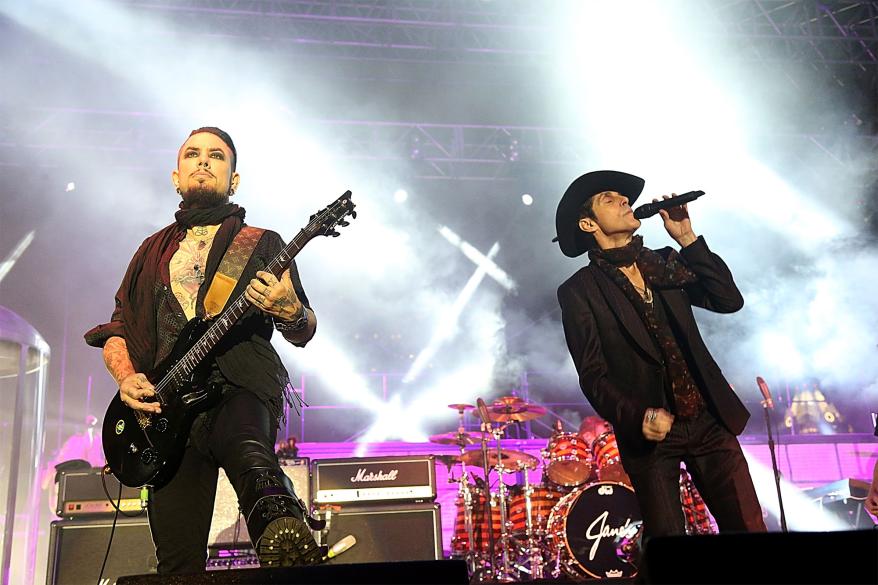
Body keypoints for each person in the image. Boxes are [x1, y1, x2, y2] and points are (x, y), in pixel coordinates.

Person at [85, 127, 321, 573]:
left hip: (239, 384)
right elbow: (118, 329)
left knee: (251, 456)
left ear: (233, 180)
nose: (203, 161)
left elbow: (303, 329)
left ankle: (283, 526)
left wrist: (290, 310)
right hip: (168, 411)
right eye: (192, 154)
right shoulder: (148, 252)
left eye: (216, 156)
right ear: (177, 176)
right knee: (177, 560)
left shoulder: (260, 243)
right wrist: (126, 377)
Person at [554, 170, 766, 539]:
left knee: (748, 529)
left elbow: (728, 300)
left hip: (708, 420)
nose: (624, 201)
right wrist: (640, 414)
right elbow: (593, 375)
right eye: (609, 199)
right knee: (667, 546)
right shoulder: (580, 291)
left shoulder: (663, 262)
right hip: (652, 433)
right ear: (588, 223)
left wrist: (687, 239)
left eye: (624, 197)